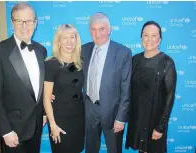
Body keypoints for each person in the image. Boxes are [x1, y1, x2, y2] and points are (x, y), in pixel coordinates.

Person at [0, 3, 47, 153]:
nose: (25, 26)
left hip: (36, 126)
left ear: (35, 23)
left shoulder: (41, 50)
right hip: (13, 130)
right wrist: (5, 130)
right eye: (19, 21)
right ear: (12, 23)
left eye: (29, 21)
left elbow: (39, 88)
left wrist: (43, 113)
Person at [81, 12, 132, 153]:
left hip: (113, 113)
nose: (97, 34)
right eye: (93, 29)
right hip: (89, 110)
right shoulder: (83, 50)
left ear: (109, 30)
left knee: (114, 149)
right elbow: (71, 73)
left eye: (102, 29)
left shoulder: (123, 52)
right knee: (90, 149)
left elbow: (126, 88)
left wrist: (121, 118)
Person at [125, 21, 177, 153]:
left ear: (159, 39)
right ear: (141, 37)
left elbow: (169, 97)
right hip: (137, 119)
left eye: (154, 36)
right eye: (145, 35)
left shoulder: (167, 63)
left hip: (155, 121)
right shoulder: (135, 60)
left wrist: (160, 127)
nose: (149, 39)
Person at [44, 24, 85, 153]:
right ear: (59, 42)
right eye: (64, 38)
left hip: (79, 117)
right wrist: (52, 125)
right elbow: (46, 98)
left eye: (72, 37)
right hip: (60, 119)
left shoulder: (80, 62)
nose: (69, 41)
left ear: (76, 40)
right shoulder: (51, 64)